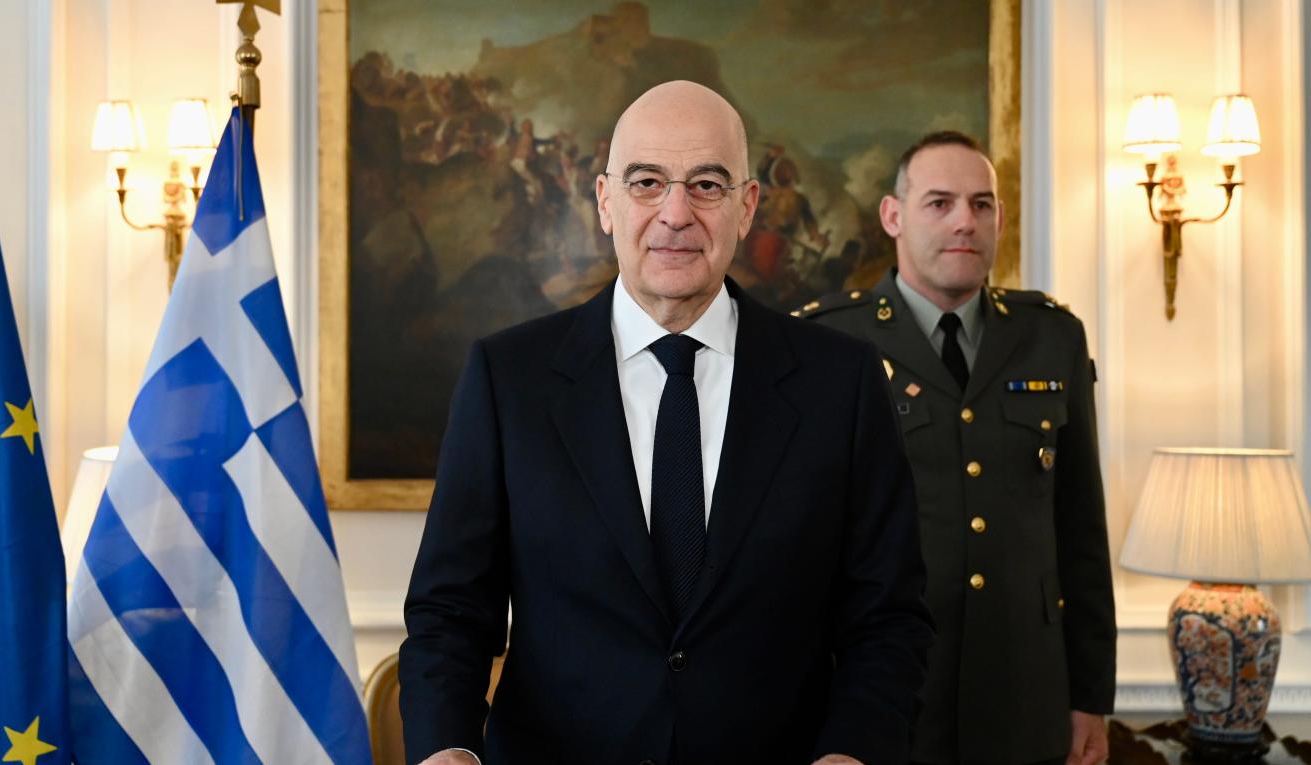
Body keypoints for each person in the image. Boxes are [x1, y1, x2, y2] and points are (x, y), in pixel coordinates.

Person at [399, 80, 934, 765]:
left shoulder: (842, 381)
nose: (675, 214)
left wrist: (853, 753)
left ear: (747, 206)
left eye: (706, 185)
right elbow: (449, 611)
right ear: (605, 201)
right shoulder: (508, 379)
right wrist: (446, 748)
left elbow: (887, 617)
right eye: (647, 182)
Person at [796, 131, 1116, 765]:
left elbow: (1081, 531)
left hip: (1026, 699)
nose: (964, 222)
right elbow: (799, 547)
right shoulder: (828, 343)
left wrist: (1090, 696)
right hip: (883, 704)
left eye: (981, 204)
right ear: (893, 216)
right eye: (939, 203)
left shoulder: (1053, 337)